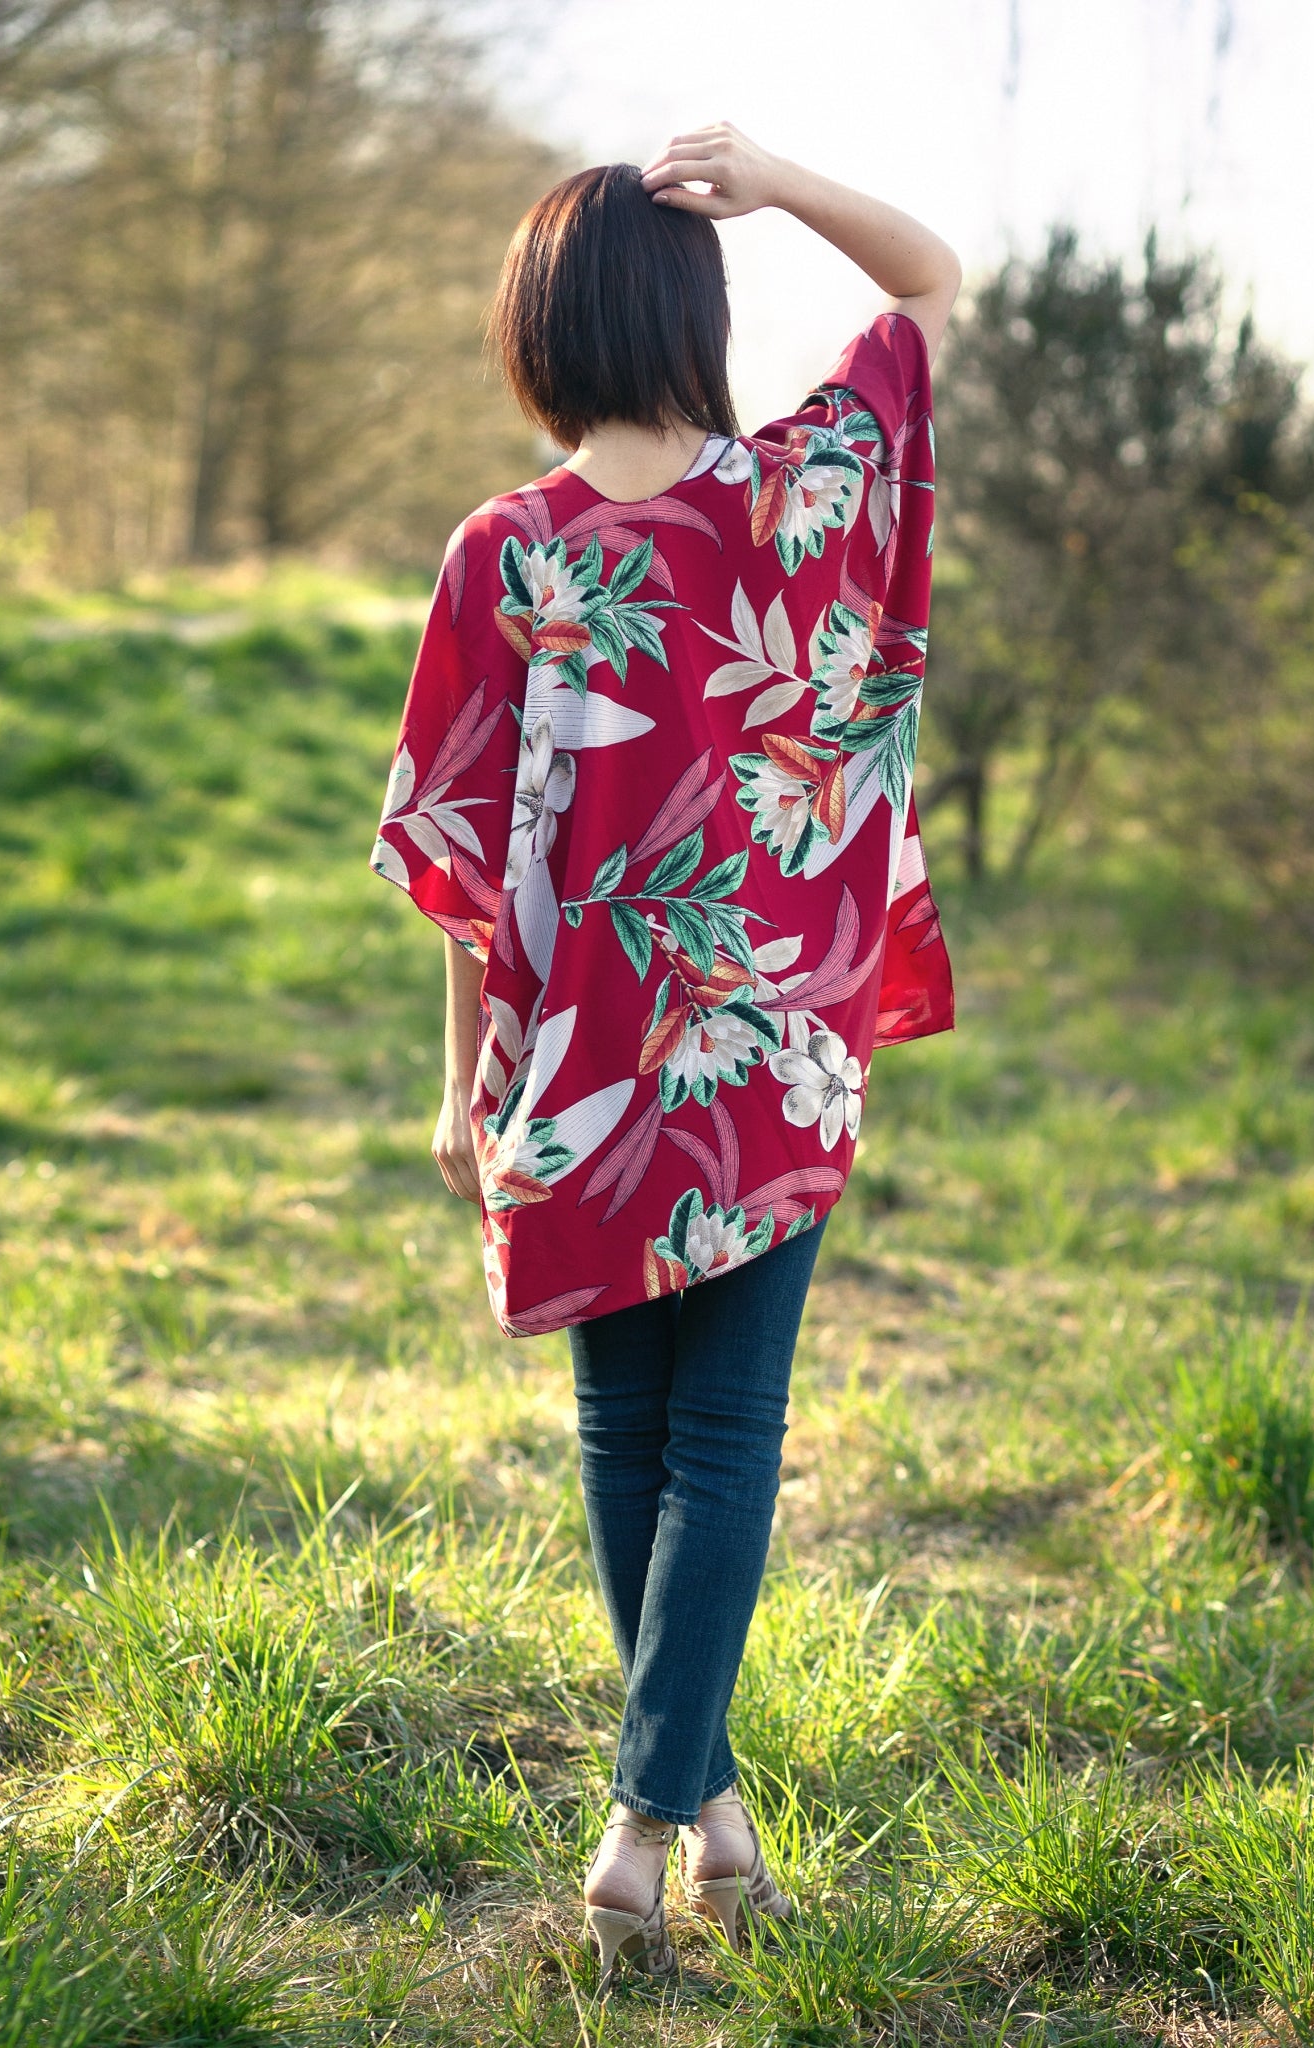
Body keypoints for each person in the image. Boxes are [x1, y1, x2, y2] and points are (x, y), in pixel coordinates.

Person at [372, 123, 960, 1988]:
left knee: (631, 1426)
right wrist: (783, 180)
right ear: (692, 310)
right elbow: (932, 278)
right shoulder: (798, 494)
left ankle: (666, 1808)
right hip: (768, 1055)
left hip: (577, 1062)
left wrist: (459, 1075)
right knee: (720, 1432)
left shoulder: (507, 549)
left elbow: (463, 852)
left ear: (533, 326)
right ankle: (671, 1814)